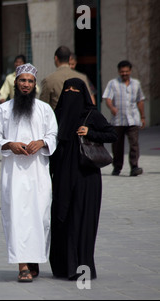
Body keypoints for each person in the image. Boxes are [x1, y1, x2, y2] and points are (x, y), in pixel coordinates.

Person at [0, 63, 58, 282]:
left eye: (30, 81)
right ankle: (23, 266)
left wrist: (42, 141)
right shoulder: (4, 109)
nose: (26, 84)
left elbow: (54, 135)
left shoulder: (45, 109)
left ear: (34, 84)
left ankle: (34, 260)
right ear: (15, 83)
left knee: (39, 216)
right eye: (22, 80)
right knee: (17, 217)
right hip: (14, 174)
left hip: (38, 174)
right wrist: (9, 144)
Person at [50, 78, 117, 280]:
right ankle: (63, 267)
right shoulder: (56, 115)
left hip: (86, 178)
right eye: (67, 89)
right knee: (62, 218)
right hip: (62, 177)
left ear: (84, 93)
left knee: (83, 221)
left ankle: (82, 267)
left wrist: (91, 132)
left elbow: (112, 134)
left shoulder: (91, 115)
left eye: (75, 90)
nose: (71, 93)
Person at [102, 60, 146, 177]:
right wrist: (111, 107)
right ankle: (117, 167)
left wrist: (142, 116)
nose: (124, 73)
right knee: (117, 145)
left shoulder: (136, 84)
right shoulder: (113, 83)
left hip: (133, 119)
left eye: (126, 71)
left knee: (134, 143)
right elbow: (107, 98)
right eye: (122, 72)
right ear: (119, 72)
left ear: (130, 71)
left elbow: (140, 100)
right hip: (118, 121)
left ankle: (134, 166)